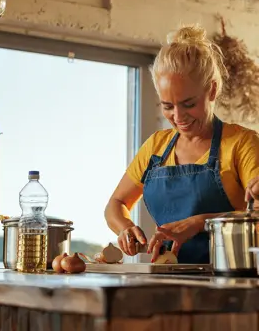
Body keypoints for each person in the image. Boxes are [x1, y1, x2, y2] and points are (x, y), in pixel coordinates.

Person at [104, 24, 259, 264]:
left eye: (188, 104)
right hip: (167, 279)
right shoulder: (156, 147)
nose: (178, 117)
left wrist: (200, 223)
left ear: (212, 90)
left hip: (229, 282)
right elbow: (116, 204)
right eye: (167, 106)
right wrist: (125, 227)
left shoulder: (241, 143)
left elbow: (256, 218)